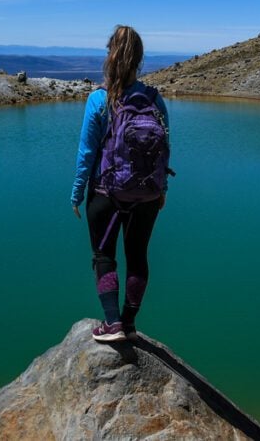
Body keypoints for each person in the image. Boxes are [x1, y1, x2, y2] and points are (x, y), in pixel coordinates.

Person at [71, 25, 170, 342]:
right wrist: (162, 191)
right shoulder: (155, 100)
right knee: (138, 256)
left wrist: (76, 194)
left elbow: (87, 153)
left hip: (106, 194)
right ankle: (128, 323)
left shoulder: (99, 99)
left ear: (109, 55)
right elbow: (165, 149)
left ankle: (111, 323)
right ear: (140, 59)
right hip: (148, 196)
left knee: (104, 257)